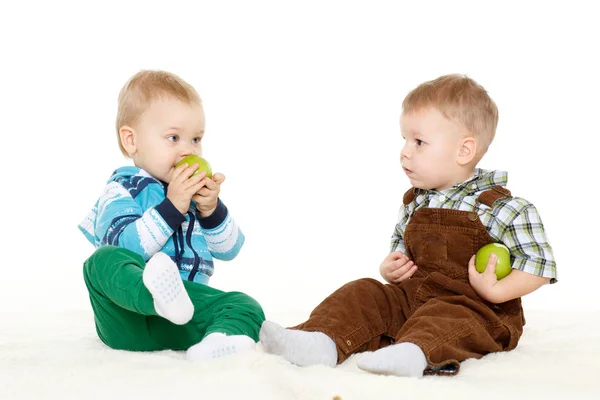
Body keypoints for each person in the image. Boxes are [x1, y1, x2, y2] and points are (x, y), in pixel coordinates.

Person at [259, 74, 557, 377]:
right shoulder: (415, 202)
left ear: (463, 151)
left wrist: (496, 291)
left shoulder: (502, 207)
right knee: (364, 292)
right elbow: (401, 247)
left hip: (477, 310)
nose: (405, 151)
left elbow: (540, 266)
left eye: (419, 142)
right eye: (404, 139)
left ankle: (414, 354)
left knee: (447, 316)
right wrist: (392, 267)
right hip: (413, 300)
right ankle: (321, 341)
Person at [78, 70, 265, 361]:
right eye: (173, 138)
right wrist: (172, 207)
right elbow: (125, 248)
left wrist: (210, 209)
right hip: (125, 316)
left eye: (195, 139)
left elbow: (230, 249)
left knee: (245, 305)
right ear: (131, 141)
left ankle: (218, 343)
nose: (187, 150)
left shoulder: (193, 193)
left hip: (184, 315)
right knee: (100, 263)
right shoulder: (122, 189)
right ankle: (158, 299)